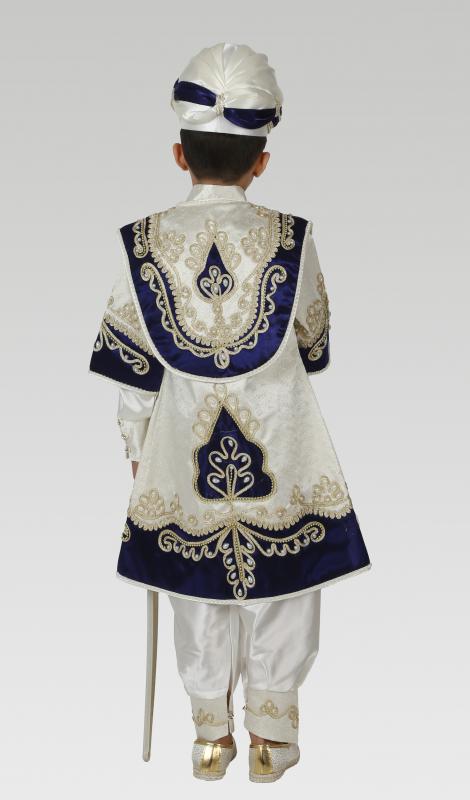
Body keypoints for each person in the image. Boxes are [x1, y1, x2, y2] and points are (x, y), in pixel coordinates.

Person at [89, 42, 371, 782]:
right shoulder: (293, 238)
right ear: (262, 162)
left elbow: (133, 365)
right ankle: (272, 738)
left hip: (182, 440)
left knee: (195, 584)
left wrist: (136, 443)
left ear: (179, 155)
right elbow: (312, 343)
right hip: (282, 435)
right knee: (288, 584)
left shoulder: (141, 242)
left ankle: (209, 736)